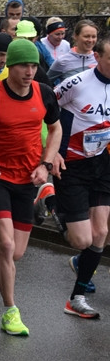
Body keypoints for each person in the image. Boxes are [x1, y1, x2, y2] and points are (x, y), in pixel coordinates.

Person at [0, 39, 63, 336]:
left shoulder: (44, 93)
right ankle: (10, 311)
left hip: (28, 178)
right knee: (4, 246)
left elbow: (55, 128)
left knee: (15, 253)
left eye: (33, 66)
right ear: (10, 67)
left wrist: (46, 164)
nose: (29, 72)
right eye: (23, 66)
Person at [53, 38, 110, 319]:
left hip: (102, 164)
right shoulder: (76, 83)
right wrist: (52, 152)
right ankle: (51, 203)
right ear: (97, 56)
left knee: (100, 233)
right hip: (72, 164)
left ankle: (76, 298)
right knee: (81, 240)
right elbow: (47, 111)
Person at [48, 20, 98, 86]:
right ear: (75, 36)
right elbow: (45, 82)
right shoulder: (62, 61)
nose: (90, 40)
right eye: (86, 36)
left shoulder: (99, 60)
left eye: (93, 37)